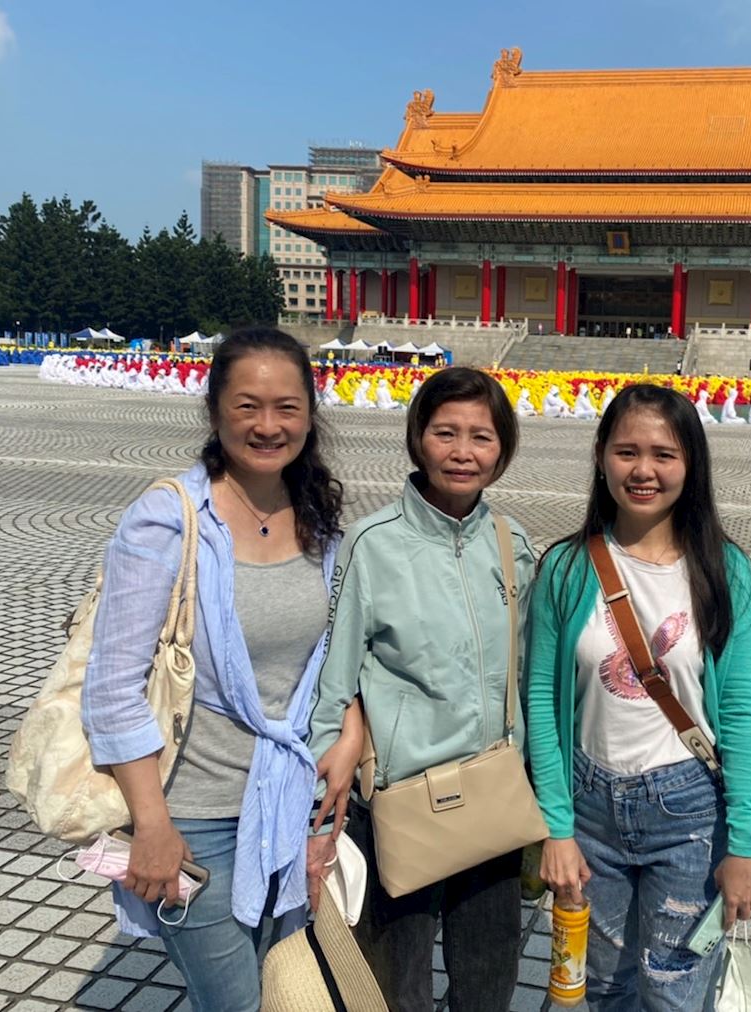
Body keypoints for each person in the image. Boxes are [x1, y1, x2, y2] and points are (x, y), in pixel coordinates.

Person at [81, 327, 357, 1012]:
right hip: (192, 814)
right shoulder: (168, 519)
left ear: (310, 414)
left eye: (287, 407)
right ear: (214, 410)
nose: (269, 425)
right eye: (247, 406)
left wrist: (351, 734)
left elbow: (337, 653)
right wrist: (152, 825)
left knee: (279, 985)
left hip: (290, 804)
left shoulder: (319, 516)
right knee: (234, 1001)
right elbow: (112, 689)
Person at [526, 383, 751, 1011]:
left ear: (691, 464)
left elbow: (743, 713)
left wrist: (746, 845)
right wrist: (556, 828)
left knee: (673, 992)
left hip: (688, 811)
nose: (643, 470)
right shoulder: (566, 568)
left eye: (664, 454)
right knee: (603, 988)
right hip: (589, 805)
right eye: (626, 451)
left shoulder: (727, 572)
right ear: (601, 455)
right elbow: (541, 704)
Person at [308, 366, 538, 1011]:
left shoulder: (513, 544)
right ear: (417, 439)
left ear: (503, 449)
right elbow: (335, 676)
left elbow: (528, 673)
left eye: (482, 437)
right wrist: (322, 806)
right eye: (445, 433)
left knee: (488, 979)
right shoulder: (374, 544)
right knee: (396, 982)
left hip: (492, 794)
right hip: (404, 798)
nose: (463, 452)